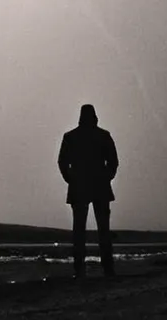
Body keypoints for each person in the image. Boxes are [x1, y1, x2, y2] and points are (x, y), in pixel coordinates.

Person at [57, 104, 119, 277]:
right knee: (102, 229)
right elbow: (113, 162)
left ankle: (80, 269)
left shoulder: (71, 137)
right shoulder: (102, 136)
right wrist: (106, 177)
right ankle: (107, 268)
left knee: (80, 230)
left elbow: (62, 163)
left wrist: (71, 179)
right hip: (96, 185)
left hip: (81, 186)